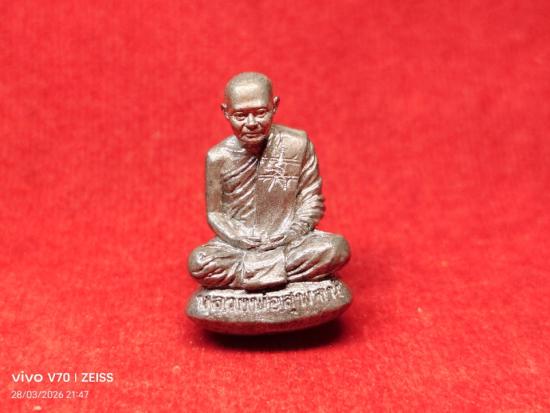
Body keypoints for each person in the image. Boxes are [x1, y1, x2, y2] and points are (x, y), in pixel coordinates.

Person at [188, 72, 350, 291]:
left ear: (274, 107)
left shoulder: (297, 144)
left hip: (289, 242)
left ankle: (250, 277)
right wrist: (239, 239)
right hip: (240, 247)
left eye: (260, 113)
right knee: (199, 263)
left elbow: (311, 200)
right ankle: (279, 274)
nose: (251, 123)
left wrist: (290, 234)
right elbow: (215, 213)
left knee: (336, 249)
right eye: (240, 116)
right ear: (226, 112)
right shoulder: (218, 157)